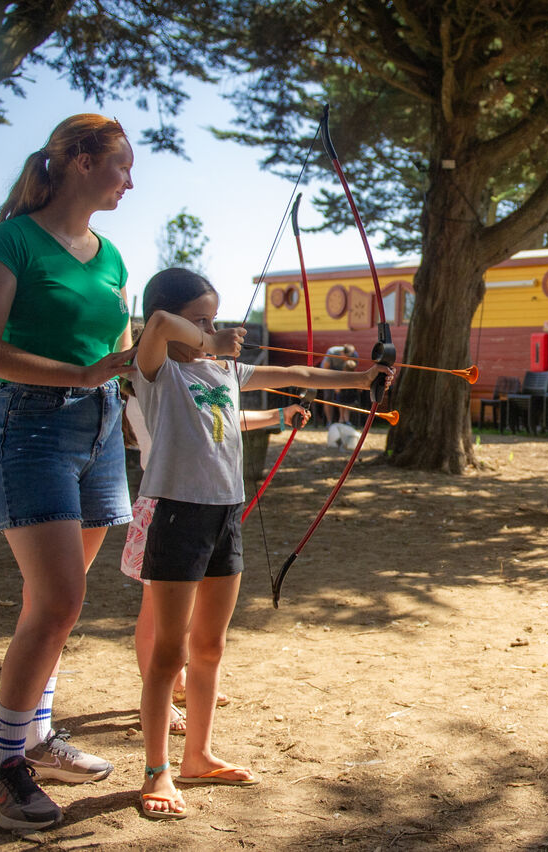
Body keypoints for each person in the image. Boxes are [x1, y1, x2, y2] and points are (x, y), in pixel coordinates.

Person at [130, 267, 391, 820]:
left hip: (224, 516)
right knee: (168, 652)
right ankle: (158, 769)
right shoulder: (155, 372)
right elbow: (156, 323)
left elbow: (296, 371)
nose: (211, 329)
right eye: (198, 320)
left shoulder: (226, 370)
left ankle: (197, 755)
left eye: (214, 318)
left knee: (210, 647)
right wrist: (207, 340)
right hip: (178, 515)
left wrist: (361, 378)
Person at [0, 114, 136, 832]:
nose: (131, 180)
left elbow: (124, 352)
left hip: (99, 432)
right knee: (59, 601)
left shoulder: (113, 255)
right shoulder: (8, 241)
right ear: (83, 161)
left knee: (59, 601)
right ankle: (0, 766)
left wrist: (183, 353)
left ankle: (33, 735)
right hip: (29, 429)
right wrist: (85, 371)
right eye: (123, 165)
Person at [120, 391, 311, 735]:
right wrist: (275, 415)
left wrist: (277, 416)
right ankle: (156, 699)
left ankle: (178, 683)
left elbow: (220, 420)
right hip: (167, 507)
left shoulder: (183, 385)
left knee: (188, 607)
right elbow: (212, 422)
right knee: (156, 614)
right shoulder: (156, 389)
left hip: (196, 505)